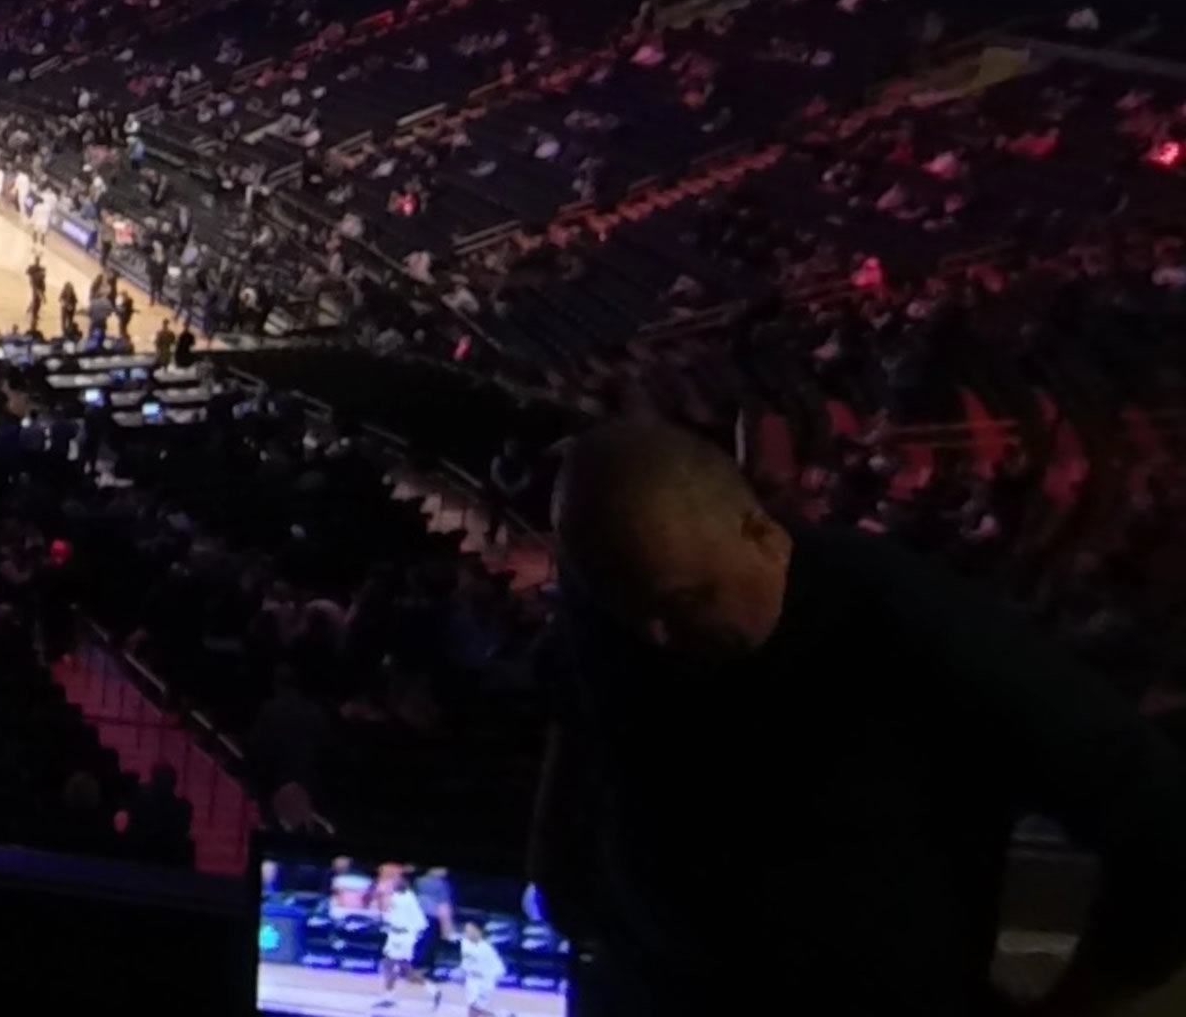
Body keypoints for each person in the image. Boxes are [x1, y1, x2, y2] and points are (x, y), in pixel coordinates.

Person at [534, 419, 1186, 1017]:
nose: (655, 637)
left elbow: (1159, 814)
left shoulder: (913, 625)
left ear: (759, 529)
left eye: (685, 602)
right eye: (622, 607)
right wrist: (558, 875)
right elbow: (579, 714)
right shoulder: (617, 601)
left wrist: (1078, 1004)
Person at [376, 863, 429, 1005]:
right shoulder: (395, 896)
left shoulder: (409, 898)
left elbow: (420, 921)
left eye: (398, 880)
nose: (395, 882)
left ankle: (389, 997)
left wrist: (413, 935)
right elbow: (388, 915)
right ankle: (388, 997)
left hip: (404, 936)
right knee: (398, 968)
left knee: (394, 966)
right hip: (394, 935)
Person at [456, 920, 507, 1017]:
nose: (467, 933)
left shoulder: (487, 949)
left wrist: (489, 982)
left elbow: (499, 970)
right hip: (471, 982)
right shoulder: (465, 943)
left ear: (479, 932)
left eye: (470, 931)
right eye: (466, 931)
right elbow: (466, 962)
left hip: (484, 983)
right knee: (474, 1011)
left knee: (473, 1011)